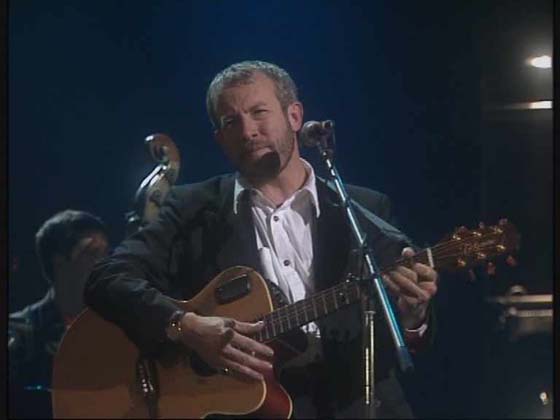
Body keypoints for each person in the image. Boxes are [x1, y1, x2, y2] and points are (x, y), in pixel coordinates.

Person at [85, 60, 438, 418]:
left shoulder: (364, 209)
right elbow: (106, 279)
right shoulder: (192, 208)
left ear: (295, 116)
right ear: (220, 139)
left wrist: (412, 314)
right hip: (245, 408)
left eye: (259, 112)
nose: (247, 131)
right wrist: (185, 326)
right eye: (231, 122)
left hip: (359, 406)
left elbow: (406, 342)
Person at [8, 209, 109, 418]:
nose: (105, 264)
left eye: (105, 254)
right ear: (59, 261)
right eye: (92, 254)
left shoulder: (116, 329)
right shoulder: (19, 336)